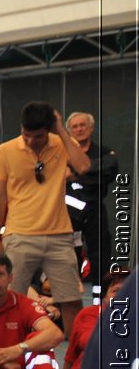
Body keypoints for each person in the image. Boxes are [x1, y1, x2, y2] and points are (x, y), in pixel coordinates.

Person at [0, 100, 91, 339]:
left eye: (38, 136)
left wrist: (62, 132)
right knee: (11, 299)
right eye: (26, 134)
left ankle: (75, 360)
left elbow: (83, 166)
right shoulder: (6, 150)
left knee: (71, 299)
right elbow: (0, 198)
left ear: (50, 129)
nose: (31, 140)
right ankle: (9, 351)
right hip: (19, 234)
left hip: (59, 235)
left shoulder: (61, 144)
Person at [64, 111, 121, 291]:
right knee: (67, 259)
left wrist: (73, 176)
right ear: (69, 131)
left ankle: (100, 303)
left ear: (91, 128)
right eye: (75, 126)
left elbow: (107, 174)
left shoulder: (104, 153)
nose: (79, 129)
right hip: (68, 215)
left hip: (95, 212)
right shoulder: (61, 153)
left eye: (83, 125)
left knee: (101, 259)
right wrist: (89, 174)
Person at [62, 268, 129, 369]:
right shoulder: (87, 315)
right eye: (116, 291)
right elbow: (71, 356)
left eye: (127, 291)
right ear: (104, 296)